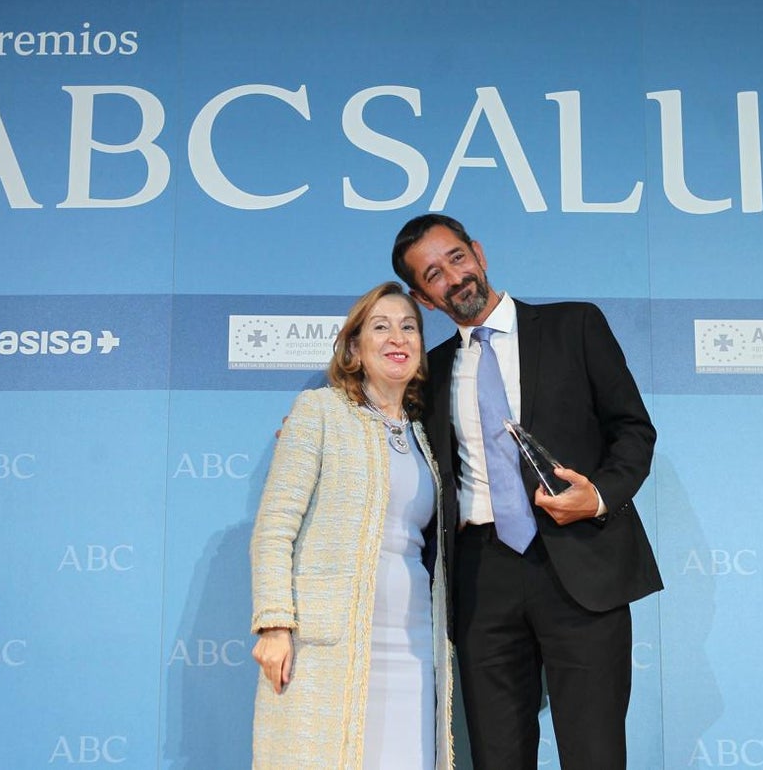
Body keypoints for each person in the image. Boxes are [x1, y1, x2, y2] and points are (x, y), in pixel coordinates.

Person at [391, 214, 663, 770]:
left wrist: (602, 496)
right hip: (480, 577)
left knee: (595, 754)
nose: (455, 278)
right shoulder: (429, 372)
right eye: (435, 274)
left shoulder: (575, 326)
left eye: (458, 258)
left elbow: (633, 429)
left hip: (582, 563)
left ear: (480, 253)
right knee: (498, 757)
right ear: (425, 297)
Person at [249, 282, 453, 770]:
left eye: (409, 327)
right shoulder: (319, 411)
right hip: (326, 643)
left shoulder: (426, 435)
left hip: (413, 641)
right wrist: (276, 624)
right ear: (355, 348)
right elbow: (275, 526)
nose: (397, 338)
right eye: (380, 327)